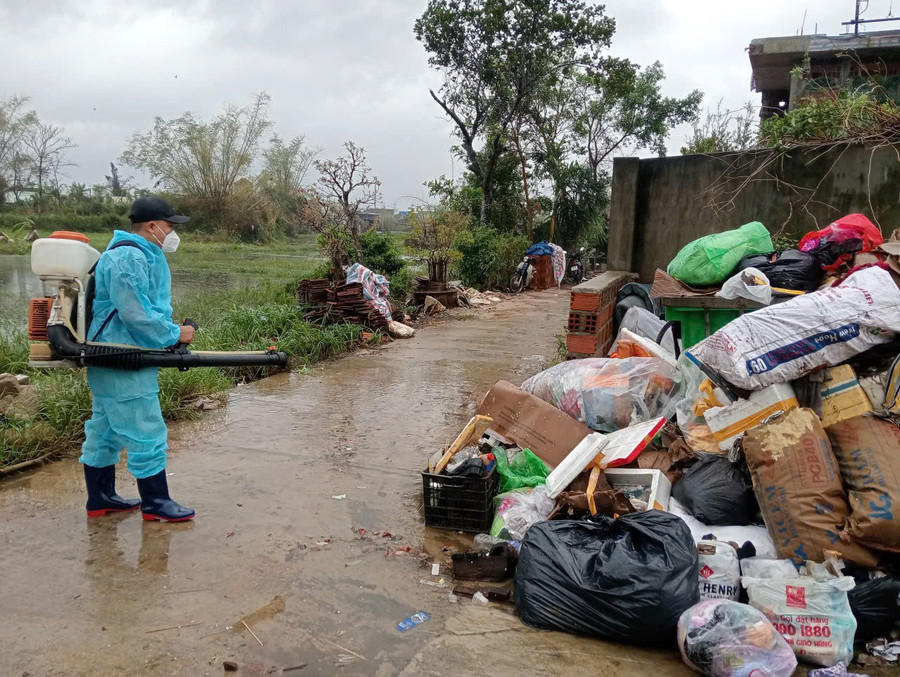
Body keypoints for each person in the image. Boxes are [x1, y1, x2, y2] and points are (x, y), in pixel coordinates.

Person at [79, 195, 196, 522]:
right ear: (152, 226)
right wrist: (174, 334)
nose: (172, 232)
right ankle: (156, 503)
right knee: (146, 429)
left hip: (116, 355)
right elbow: (135, 313)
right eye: (170, 226)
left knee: (105, 430)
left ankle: (101, 498)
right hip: (123, 355)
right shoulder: (128, 257)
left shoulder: (138, 253)